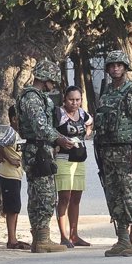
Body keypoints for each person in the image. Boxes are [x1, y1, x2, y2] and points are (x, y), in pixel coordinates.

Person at [94, 50, 132, 257]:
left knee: (131, 196)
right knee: (114, 197)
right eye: (112, 65)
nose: (115, 68)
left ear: (125, 67)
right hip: (108, 152)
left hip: (126, 151)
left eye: (119, 65)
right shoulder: (107, 92)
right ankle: (122, 239)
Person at [17, 59, 74, 253]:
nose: (54, 86)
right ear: (46, 78)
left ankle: (40, 239)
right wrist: (60, 139)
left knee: (39, 194)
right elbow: (40, 127)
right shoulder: (32, 98)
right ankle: (42, 239)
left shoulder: (38, 97)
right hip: (38, 151)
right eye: (53, 81)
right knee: (44, 195)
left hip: (41, 149)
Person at [53, 86, 93, 248]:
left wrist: (87, 133)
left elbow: (90, 122)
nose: (74, 103)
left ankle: (74, 235)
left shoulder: (83, 114)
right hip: (63, 159)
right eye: (71, 99)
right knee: (64, 197)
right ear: (65, 99)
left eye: (78, 99)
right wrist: (60, 139)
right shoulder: (59, 114)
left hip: (80, 160)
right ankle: (63, 236)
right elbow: (49, 130)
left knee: (76, 198)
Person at [0, 105, 30, 250]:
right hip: (8, 175)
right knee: (12, 208)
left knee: (15, 207)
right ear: (15, 118)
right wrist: (9, 159)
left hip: (16, 175)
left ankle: (13, 238)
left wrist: (4, 156)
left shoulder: (20, 134)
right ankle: (12, 240)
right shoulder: (11, 132)